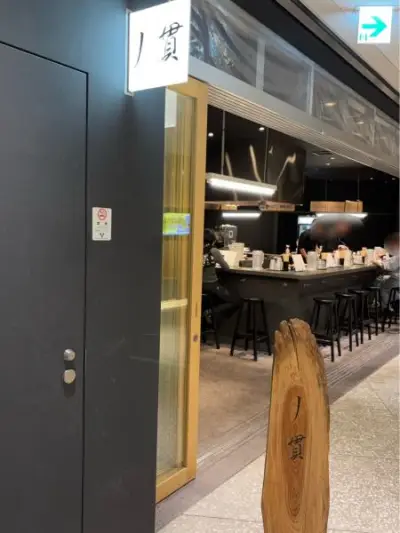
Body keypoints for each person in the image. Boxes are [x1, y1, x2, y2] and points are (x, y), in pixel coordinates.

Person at [202, 228, 241, 323]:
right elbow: (226, 268)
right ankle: (210, 313)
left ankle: (208, 317)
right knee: (236, 301)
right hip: (212, 286)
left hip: (199, 287)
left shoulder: (196, 249)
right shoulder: (214, 251)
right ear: (213, 240)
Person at [374, 232, 400, 311]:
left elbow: (388, 267)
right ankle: (391, 304)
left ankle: (386, 307)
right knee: (381, 280)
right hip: (397, 280)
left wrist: (376, 262)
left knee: (382, 286)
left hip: (397, 280)